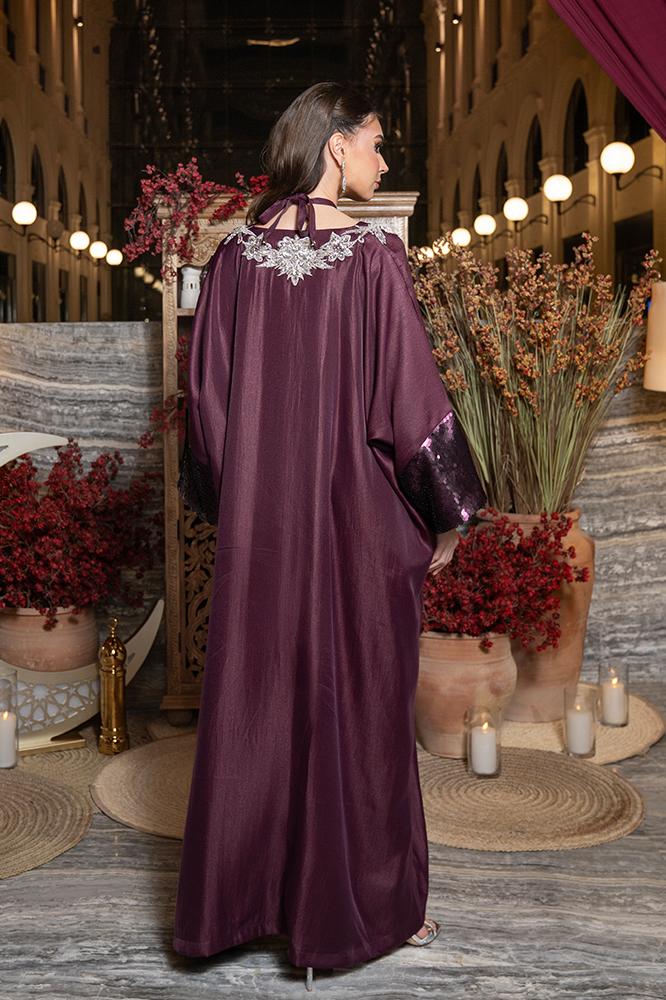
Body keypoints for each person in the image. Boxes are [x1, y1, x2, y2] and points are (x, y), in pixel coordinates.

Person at [173, 81, 486, 991]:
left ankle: (244, 907)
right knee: (358, 704)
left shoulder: (233, 259)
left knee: (260, 701)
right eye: (376, 143)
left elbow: (208, 410)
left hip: (261, 534)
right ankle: (360, 913)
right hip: (355, 529)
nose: (384, 161)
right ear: (336, 145)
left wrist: (248, 508)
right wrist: (447, 511)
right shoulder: (374, 258)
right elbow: (410, 400)